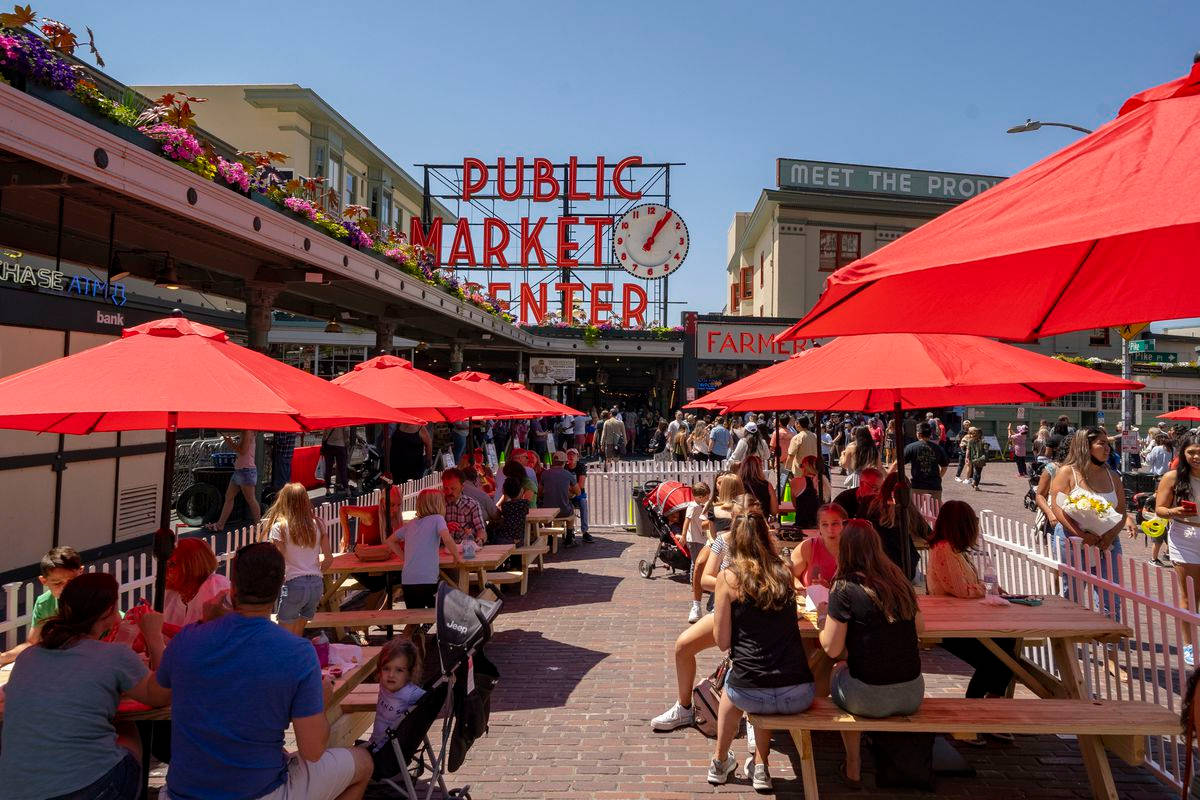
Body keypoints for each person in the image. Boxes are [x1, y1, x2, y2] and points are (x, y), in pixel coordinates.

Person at [157, 542, 373, 799]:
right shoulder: (296, 652)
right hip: (259, 791)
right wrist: (322, 704)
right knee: (363, 762)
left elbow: (154, 694)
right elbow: (312, 750)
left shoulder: (188, 640)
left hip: (182, 793)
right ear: (280, 588)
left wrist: (202, 622)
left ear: (233, 587)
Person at [0, 572, 170, 800]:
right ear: (110, 610)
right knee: (127, 729)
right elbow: (161, 694)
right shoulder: (114, 655)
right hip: (85, 788)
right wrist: (154, 636)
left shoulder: (29, 656)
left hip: (14, 790)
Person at [710, 510, 814, 790]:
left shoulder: (729, 578)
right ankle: (760, 766)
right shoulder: (784, 570)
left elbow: (721, 640)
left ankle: (720, 761)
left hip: (751, 691)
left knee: (743, 679)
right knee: (762, 674)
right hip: (799, 692)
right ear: (766, 537)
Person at [819, 519, 925, 787]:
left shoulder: (843, 588)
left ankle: (853, 763)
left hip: (868, 697)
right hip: (913, 691)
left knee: (836, 669)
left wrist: (823, 621)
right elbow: (920, 628)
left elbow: (831, 649)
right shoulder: (899, 581)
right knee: (861, 666)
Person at [926, 501, 1018, 741]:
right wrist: (986, 589)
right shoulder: (944, 549)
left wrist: (988, 589)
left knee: (1008, 647)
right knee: (993, 661)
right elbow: (961, 589)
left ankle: (991, 709)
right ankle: (970, 717)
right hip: (951, 625)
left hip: (966, 620)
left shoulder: (955, 550)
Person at [1049, 427, 1134, 622]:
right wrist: (1080, 533)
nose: (1107, 448)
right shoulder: (1067, 472)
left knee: (1110, 595)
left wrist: (1110, 536)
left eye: (1108, 444)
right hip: (1073, 539)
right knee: (1073, 592)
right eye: (1101, 444)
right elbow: (1058, 507)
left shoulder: (1113, 476)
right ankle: (1071, 636)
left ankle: (1108, 640)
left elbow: (1121, 510)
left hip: (1107, 542)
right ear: (1085, 447)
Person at [264, 482, 331, 636]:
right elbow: (329, 559)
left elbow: (278, 562)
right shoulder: (319, 524)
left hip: (293, 584)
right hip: (316, 585)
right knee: (297, 635)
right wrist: (315, 571)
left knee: (284, 637)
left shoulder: (279, 527)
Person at [1156, 432, 1200, 665]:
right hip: (1184, 535)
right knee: (1190, 594)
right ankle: (1189, 644)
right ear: (1183, 453)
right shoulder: (1173, 477)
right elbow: (1160, 509)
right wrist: (1175, 512)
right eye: (1191, 452)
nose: (1196, 456)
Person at [0, 545, 83, 665]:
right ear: (44, 581)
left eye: (71, 581)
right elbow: (31, 643)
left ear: (80, 572)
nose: (66, 588)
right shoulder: (44, 603)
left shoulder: (93, 596)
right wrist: (4, 657)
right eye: (57, 583)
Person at [386, 488, 463, 611]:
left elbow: (390, 541)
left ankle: (414, 630)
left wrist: (404, 558)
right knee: (440, 611)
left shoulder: (410, 524)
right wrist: (456, 556)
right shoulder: (438, 519)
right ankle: (429, 629)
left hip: (407, 581)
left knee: (414, 616)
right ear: (439, 505)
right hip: (428, 580)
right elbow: (447, 539)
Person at [865, 471, 927, 580]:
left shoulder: (872, 507)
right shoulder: (908, 509)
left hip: (876, 568)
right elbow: (928, 533)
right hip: (905, 569)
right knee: (921, 578)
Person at [369, 638, 426, 751]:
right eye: (386, 669)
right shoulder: (383, 683)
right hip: (373, 744)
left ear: (409, 673)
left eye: (399, 670)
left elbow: (433, 701)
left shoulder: (411, 693)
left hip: (389, 752)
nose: (391, 675)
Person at [163, 538, 231, 628]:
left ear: (191, 567)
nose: (165, 570)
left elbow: (209, 635)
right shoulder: (172, 592)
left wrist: (160, 628)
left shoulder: (214, 586)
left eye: (172, 564)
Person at [207, 429, 261, 531]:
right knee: (229, 496)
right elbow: (242, 450)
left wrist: (230, 443)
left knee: (250, 499)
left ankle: (258, 526)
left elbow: (242, 450)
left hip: (245, 470)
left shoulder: (247, 431)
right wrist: (231, 443)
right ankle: (220, 524)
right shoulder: (247, 432)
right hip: (240, 470)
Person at [790, 503, 846, 587]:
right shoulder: (808, 547)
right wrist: (802, 590)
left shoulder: (853, 549)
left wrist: (829, 589)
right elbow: (790, 575)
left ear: (844, 525)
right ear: (818, 526)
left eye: (835, 524)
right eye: (825, 524)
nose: (830, 529)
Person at [541, 451, 586, 544]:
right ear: (564, 462)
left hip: (548, 511)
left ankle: (549, 538)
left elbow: (540, 492)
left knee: (546, 507)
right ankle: (569, 538)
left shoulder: (544, 474)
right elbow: (578, 492)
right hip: (563, 511)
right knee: (571, 513)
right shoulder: (568, 475)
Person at [684, 482, 714, 623]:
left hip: (703, 538)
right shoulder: (693, 507)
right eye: (705, 496)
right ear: (699, 496)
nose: (708, 498)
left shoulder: (704, 505)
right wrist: (684, 536)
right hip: (695, 539)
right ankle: (694, 585)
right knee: (696, 563)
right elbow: (687, 521)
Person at [904, 421, 949, 501]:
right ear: (930, 434)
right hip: (934, 486)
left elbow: (897, 463)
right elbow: (944, 466)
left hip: (918, 486)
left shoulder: (911, 447)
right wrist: (938, 477)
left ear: (918, 434)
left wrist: (888, 474)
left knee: (915, 511)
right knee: (935, 511)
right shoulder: (938, 448)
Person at [442, 467, 487, 545]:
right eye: (446, 488)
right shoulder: (438, 504)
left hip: (465, 549)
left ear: (462, 487)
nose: (449, 492)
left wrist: (479, 540)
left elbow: (481, 530)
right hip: (443, 549)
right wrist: (444, 529)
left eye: (453, 488)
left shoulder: (472, 505)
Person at [788, 454, 831, 529]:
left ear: (805, 466)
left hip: (802, 527)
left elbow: (795, 506)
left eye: (801, 466)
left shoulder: (796, 481)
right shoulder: (825, 482)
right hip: (821, 526)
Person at [490, 477, 531, 546]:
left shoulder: (505, 506)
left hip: (503, 540)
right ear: (521, 490)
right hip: (519, 540)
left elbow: (500, 513)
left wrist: (506, 494)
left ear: (504, 492)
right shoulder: (525, 504)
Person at [566, 447, 590, 541]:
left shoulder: (581, 466)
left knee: (583, 503)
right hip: (567, 495)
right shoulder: (564, 466)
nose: (571, 456)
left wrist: (569, 488)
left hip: (579, 494)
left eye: (573, 454)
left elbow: (580, 485)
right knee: (569, 507)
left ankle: (585, 531)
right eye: (569, 454)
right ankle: (570, 531)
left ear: (577, 457)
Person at [321, 426, 351, 495]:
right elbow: (346, 432)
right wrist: (347, 443)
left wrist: (323, 443)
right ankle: (347, 490)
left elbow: (324, 433)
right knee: (342, 468)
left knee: (328, 468)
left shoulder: (328, 418)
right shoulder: (343, 419)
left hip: (329, 445)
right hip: (340, 445)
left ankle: (327, 490)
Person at [965, 426, 989, 491]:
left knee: (975, 470)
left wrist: (967, 458)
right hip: (981, 459)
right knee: (978, 472)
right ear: (981, 434)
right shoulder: (983, 441)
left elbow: (968, 450)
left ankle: (974, 482)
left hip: (973, 458)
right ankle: (975, 485)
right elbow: (986, 451)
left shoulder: (970, 441)